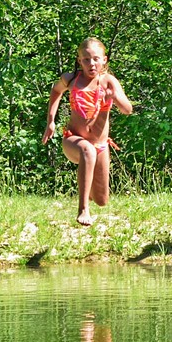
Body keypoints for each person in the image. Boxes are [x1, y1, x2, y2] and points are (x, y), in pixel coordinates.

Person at [42, 37, 133, 226]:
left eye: (96, 59)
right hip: (74, 140)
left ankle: (89, 189)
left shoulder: (109, 81)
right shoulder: (71, 79)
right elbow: (56, 91)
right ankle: (83, 208)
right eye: (86, 59)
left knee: (102, 200)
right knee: (87, 150)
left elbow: (127, 110)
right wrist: (51, 121)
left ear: (104, 60)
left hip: (100, 144)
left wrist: (114, 97)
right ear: (79, 61)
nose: (91, 63)